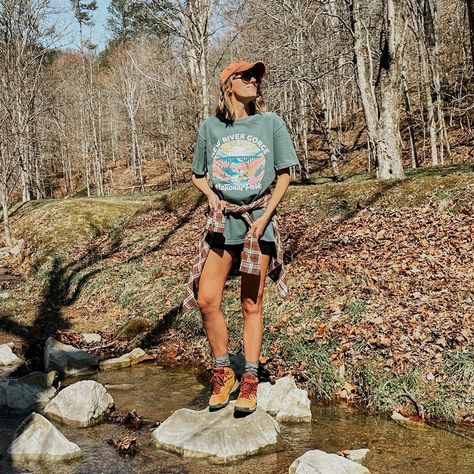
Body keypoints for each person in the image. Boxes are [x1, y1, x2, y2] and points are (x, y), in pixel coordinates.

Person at [182, 60, 300, 415]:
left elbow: (284, 176)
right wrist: (210, 195)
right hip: (223, 225)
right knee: (207, 299)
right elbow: (198, 175)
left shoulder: (271, 123)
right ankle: (223, 371)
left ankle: (249, 378)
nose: (253, 80)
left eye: (256, 76)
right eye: (245, 76)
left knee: (251, 303)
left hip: (255, 224)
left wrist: (266, 219)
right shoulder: (210, 128)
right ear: (227, 85)